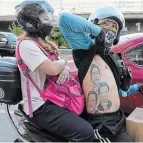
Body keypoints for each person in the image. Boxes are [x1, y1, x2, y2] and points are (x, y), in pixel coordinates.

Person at [58, 6, 143, 142]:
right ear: (94, 25)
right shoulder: (86, 48)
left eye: (114, 26)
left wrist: (139, 87)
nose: (109, 29)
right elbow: (64, 19)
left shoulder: (111, 57)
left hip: (117, 120)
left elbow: (121, 93)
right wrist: (98, 32)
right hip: (101, 125)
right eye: (105, 24)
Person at [15, 0, 94, 142]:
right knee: (85, 132)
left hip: (54, 98)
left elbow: (61, 68)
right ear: (31, 20)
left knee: (90, 115)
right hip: (40, 106)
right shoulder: (26, 45)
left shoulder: (42, 44)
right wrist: (62, 64)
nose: (49, 23)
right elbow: (53, 68)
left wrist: (63, 67)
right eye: (45, 19)